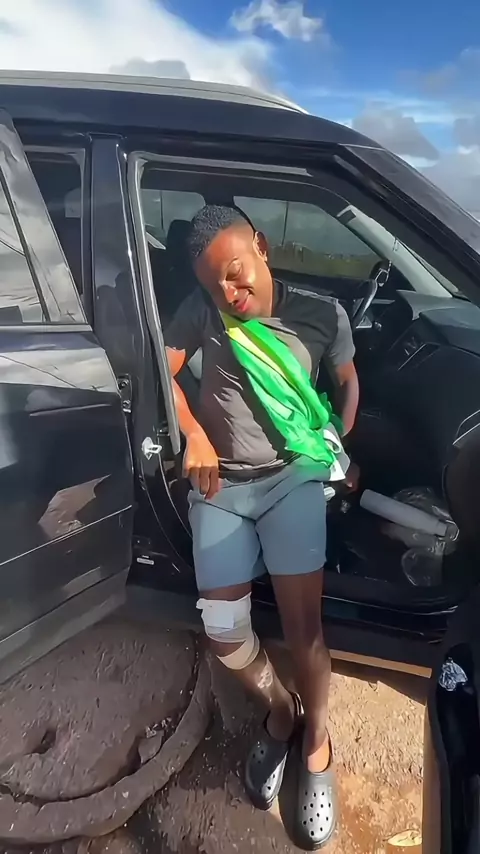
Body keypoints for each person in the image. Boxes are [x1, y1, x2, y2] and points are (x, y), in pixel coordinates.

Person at [165, 205, 359, 850]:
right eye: (214, 283)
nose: (230, 292)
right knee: (223, 632)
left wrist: (337, 443)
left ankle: (317, 741)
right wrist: (194, 435)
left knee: (306, 632)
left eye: (236, 272)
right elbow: (163, 371)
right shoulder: (202, 312)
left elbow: (347, 382)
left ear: (262, 248)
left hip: (291, 478)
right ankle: (281, 709)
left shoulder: (322, 315)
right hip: (221, 486)